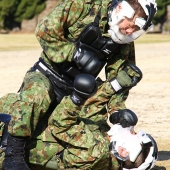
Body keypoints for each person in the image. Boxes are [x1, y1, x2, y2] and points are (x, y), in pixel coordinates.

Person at [0, 0, 157, 169]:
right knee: (38, 94)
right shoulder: (83, 6)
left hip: (79, 89)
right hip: (46, 74)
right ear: (121, 9)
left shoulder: (123, 42)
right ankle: (13, 154)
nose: (129, 32)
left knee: (95, 125)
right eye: (131, 26)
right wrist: (74, 53)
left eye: (135, 31)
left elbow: (118, 79)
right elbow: (44, 30)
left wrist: (117, 110)